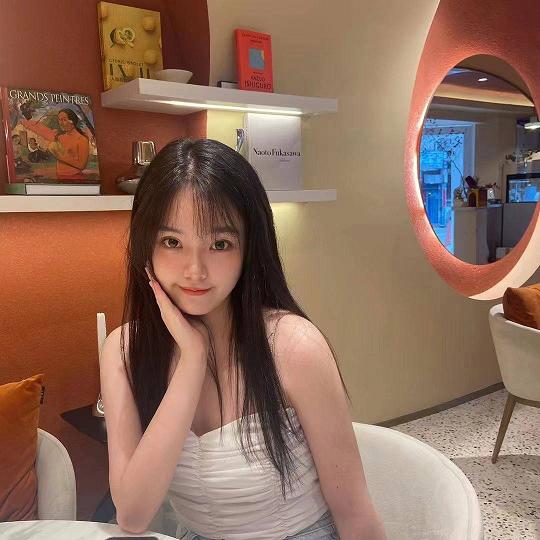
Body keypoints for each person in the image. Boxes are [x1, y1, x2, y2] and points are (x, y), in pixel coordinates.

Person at [99, 138, 386, 540]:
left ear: (249, 247)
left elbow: (354, 511)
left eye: (219, 244)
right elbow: (132, 515)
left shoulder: (293, 347)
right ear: (145, 245)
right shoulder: (123, 351)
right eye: (172, 242)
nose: (195, 270)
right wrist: (192, 361)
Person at [19, 108, 90, 181]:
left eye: (64, 120)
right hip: (59, 176)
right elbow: (44, 133)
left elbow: (81, 165)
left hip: (75, 177)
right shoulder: (60, 137)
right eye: (59, 120)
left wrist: (57, 153)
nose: (60, 123)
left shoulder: (82, 139)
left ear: (72, 121)